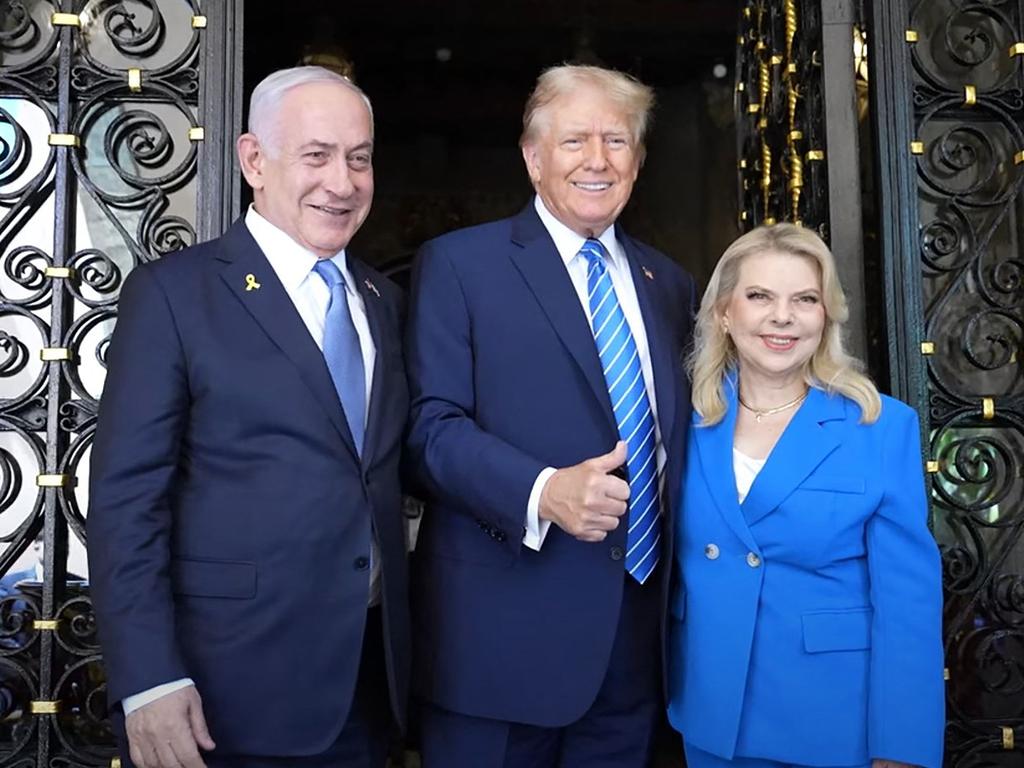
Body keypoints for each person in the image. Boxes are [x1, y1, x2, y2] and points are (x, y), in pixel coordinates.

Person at [87, 66, 410, 768]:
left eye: (359, 158)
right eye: (316, 155)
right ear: (254, 161)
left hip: (367, 687)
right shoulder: (175, 294)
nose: (343, 181)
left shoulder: (382, 301)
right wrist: (148, 678)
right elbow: (125, 502)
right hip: (222, 694)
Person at [405, 64, 696, 767]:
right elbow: (426, 430)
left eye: (617, 141)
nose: (598, 160)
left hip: (634, 656)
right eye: (575, 141)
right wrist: (542, 491)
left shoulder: (671, 283)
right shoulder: (460, 265)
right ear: (534, 157)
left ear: (639, 160)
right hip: (498, 652)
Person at [667, 223, 944, 768]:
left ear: (826, 315)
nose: (782, 317)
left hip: (834, 721)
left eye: (805, 299)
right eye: (759, 296)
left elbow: (907, 603)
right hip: (709, 715)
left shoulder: (880, 426)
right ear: (724, 312)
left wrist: (902, 745)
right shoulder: (681, 421)